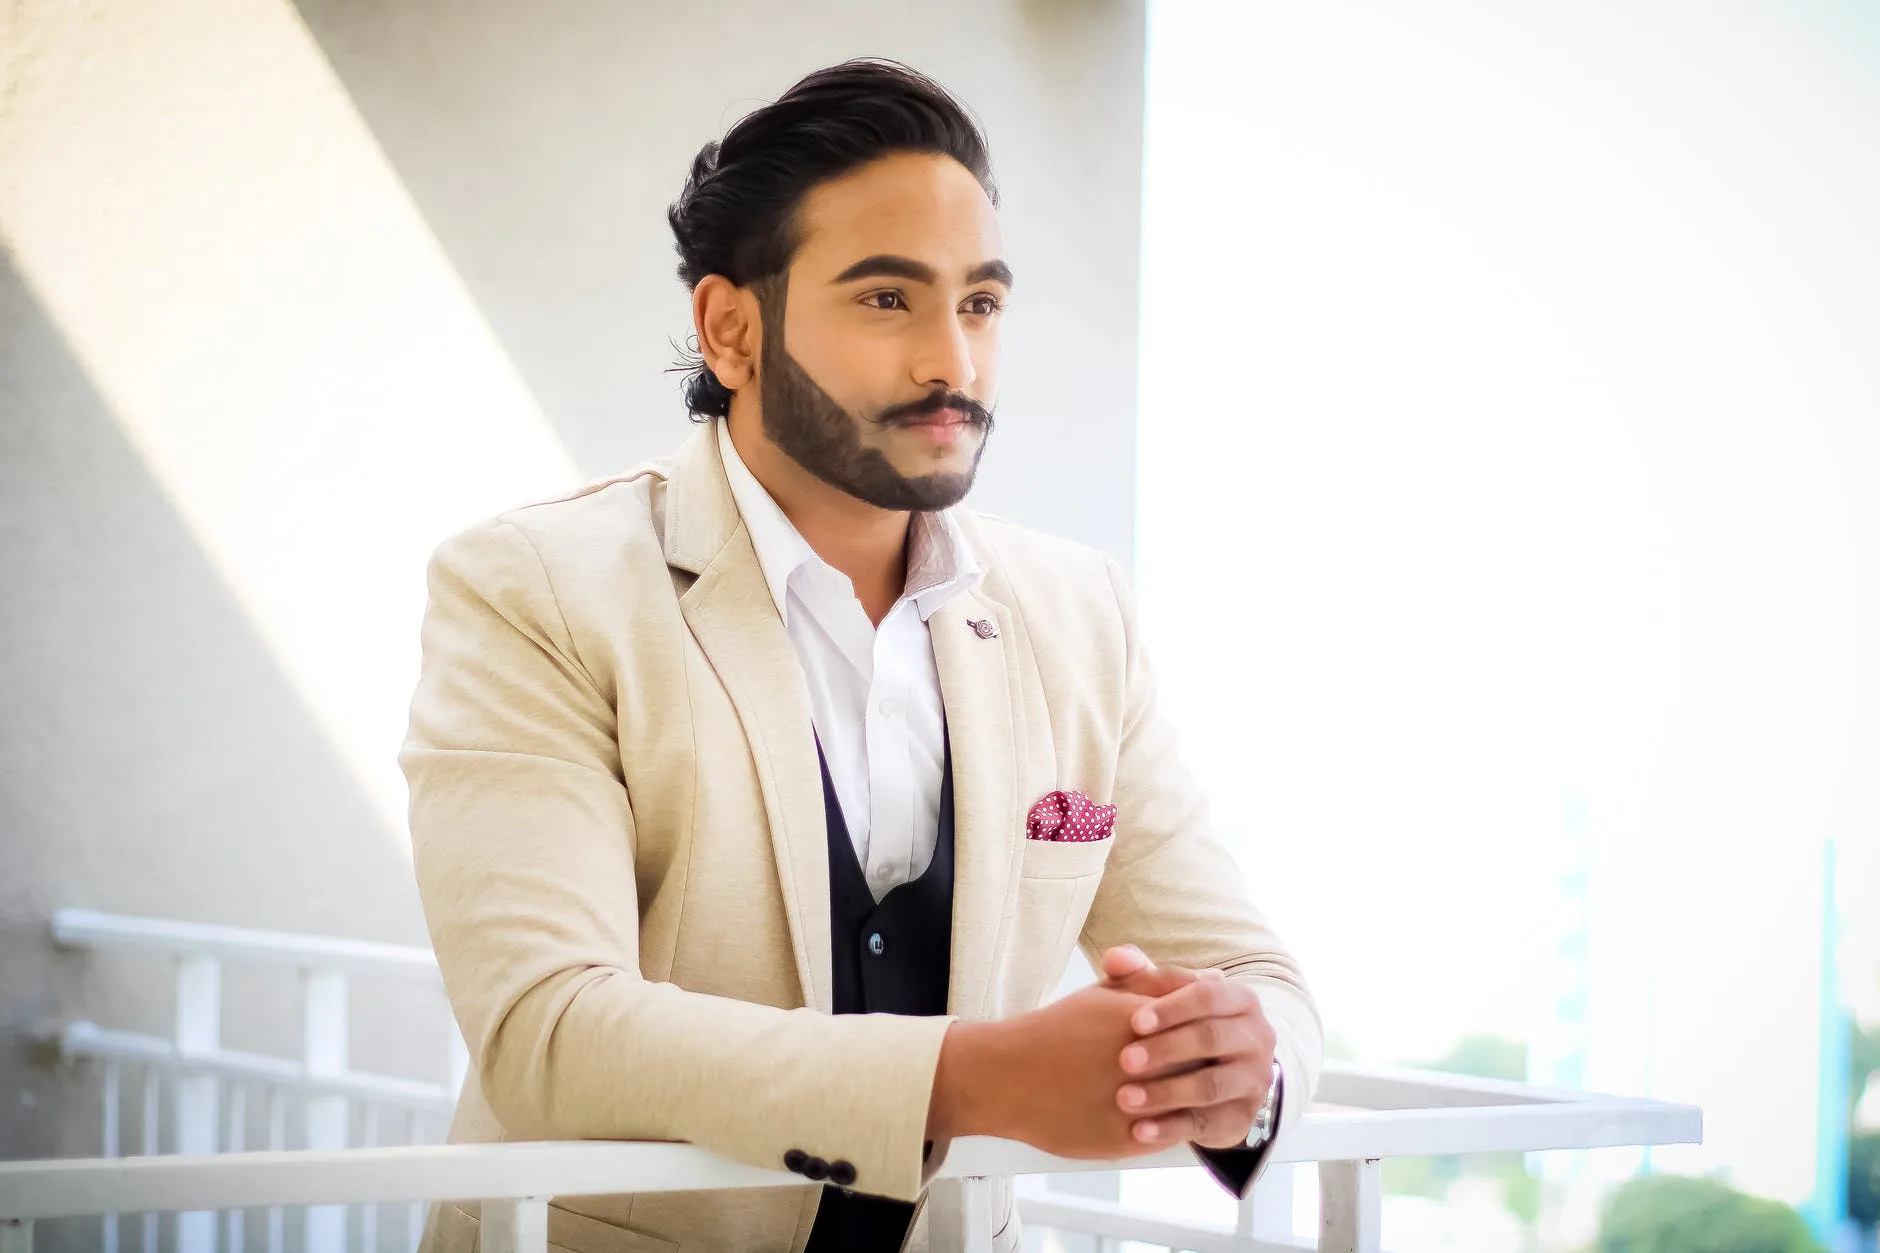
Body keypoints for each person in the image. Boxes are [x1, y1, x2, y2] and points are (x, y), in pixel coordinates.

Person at [403, 58, 1321, 1253]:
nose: (953, 360)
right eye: (887, 299)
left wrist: (1233, 1051)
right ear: (731, 328)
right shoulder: (534, 586)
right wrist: (973, 1075)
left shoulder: (1076, 610)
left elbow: (1252, 972)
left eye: (980, 302)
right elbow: (547, 1025)